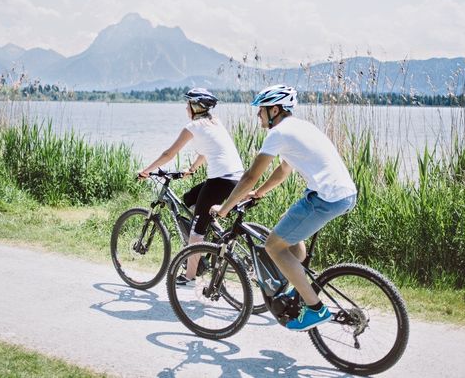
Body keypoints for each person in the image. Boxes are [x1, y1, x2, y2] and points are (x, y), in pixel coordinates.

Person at [210, 84, 357, 331]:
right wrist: (260, 193)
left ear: (275, 109)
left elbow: (249, 177)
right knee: (285, 231)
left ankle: (315, 309)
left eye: (261, 111)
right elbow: (284, 170)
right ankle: (293, 284)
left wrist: (225, 208)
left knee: (273, 245)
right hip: (343, 194)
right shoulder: (301, 127)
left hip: (325, 198)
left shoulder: (277, 134)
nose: (258, 115)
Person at [138, 88, 244, 284]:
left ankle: (190, 274)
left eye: (188, 104)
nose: (186, 107)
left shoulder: (193, 127)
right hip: (236, 179)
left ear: (196, 107)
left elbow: (168, 154)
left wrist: (146, 170)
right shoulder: (215, 122)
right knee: (189, 199)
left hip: (220, 180)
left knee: (196, 229)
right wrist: (192, 168)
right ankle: (215, 233)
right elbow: (208, 150)